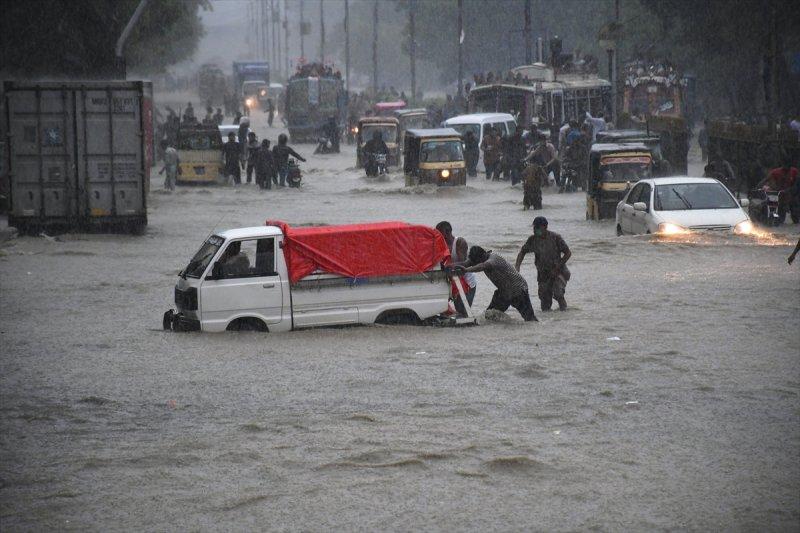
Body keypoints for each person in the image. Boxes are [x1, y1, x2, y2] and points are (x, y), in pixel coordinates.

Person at [452, 246, 537, 322]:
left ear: (482, 257)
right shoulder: (480, 258)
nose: (474, 264)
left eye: (476, 262)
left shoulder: (493, 259)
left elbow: (483, 266)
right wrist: (449, 266)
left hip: (518, 290)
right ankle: (498, 328)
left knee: (530, 319)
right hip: (504, 292)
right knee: (490, 315)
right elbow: (466, 264)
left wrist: (467, 270)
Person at [515, 217, 571, 311]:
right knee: (544, 301)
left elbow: (568, 253)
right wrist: (517, 266)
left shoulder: (555, 238)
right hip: (543, 274)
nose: (535, 230)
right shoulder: (532, 240)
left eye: (537, 228)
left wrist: (557, 267)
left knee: (558, 294)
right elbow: (522, 252)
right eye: (534, 228)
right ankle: (547, 319)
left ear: (545, 227)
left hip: (558, 271)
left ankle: (564, 314)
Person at [435, 221, 477, 317]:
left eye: (440, 234)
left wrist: (450, 265)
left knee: (463, 311)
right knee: (449, 312)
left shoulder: (459, 242)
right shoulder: (441, 244)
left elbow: (463, 265)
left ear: (448, 232)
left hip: (468, 283)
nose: (438, 237)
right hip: (453, 281)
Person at [760, 159, 798, 224]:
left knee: (794, 209)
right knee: (780, 210)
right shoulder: (776, 172)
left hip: (791, 193)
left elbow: (796, 183)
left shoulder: (794, 171)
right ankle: (777, 220)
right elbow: (766, 179)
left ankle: (795, 219)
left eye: (788, 166)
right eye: (785, 166)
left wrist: (791, 190)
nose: (787, 168)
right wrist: (759, 186)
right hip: (780, 194)